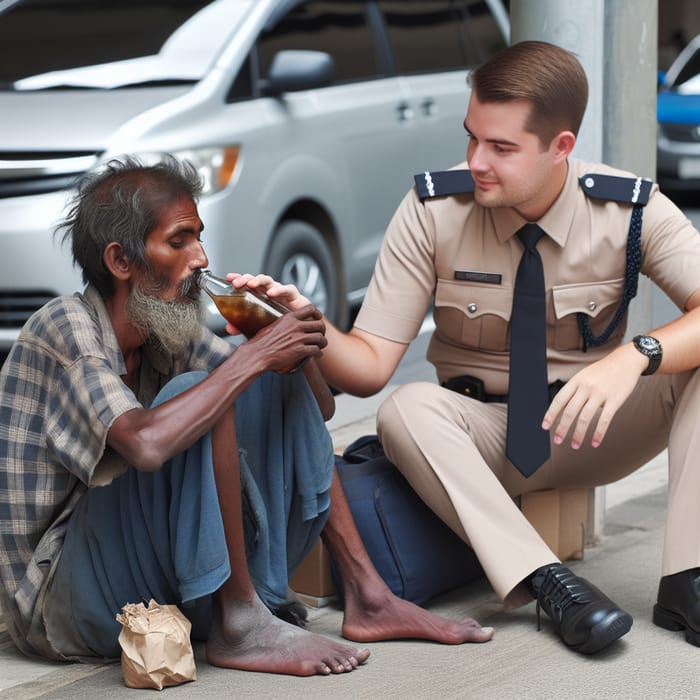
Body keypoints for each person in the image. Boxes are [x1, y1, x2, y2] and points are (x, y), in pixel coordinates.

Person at [236, 40, 700, 656]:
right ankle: (550, 585)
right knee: (406, 407)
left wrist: (633, 355)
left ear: (560, 147)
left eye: (502, 148)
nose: (477, 161)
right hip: (481, 437)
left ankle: (688, 580)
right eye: (471, 137)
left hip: (594, 428)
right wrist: (308, 326)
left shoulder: (628, 210)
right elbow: (371, 365)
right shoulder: (434, 211)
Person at [0, 156, 492, 677]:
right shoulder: (64, 327)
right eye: (179, 241)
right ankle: (240, 621)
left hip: (142, 579)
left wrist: (282, 337)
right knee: (204, 391)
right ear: (121, 261)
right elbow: (145, 445)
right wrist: (256, 357)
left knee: (265, 380)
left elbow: (315, 410)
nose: (201, 257)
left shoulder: (166, 329)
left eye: (199, 238)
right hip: (62, 603)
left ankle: (368, 594)